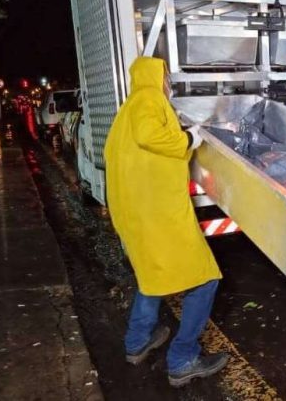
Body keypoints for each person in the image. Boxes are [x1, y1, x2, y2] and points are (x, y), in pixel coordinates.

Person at [104, 56, 229, 388]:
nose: (169, 84)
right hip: (158, 216)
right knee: (205, 279)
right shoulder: (148, 100)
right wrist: (189, 139)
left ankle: (137, 342)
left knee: (152, 275)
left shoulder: (128, 108)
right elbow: (149, 136)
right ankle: (183, 359)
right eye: (166, 77)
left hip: (135, 215)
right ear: (156, 78)